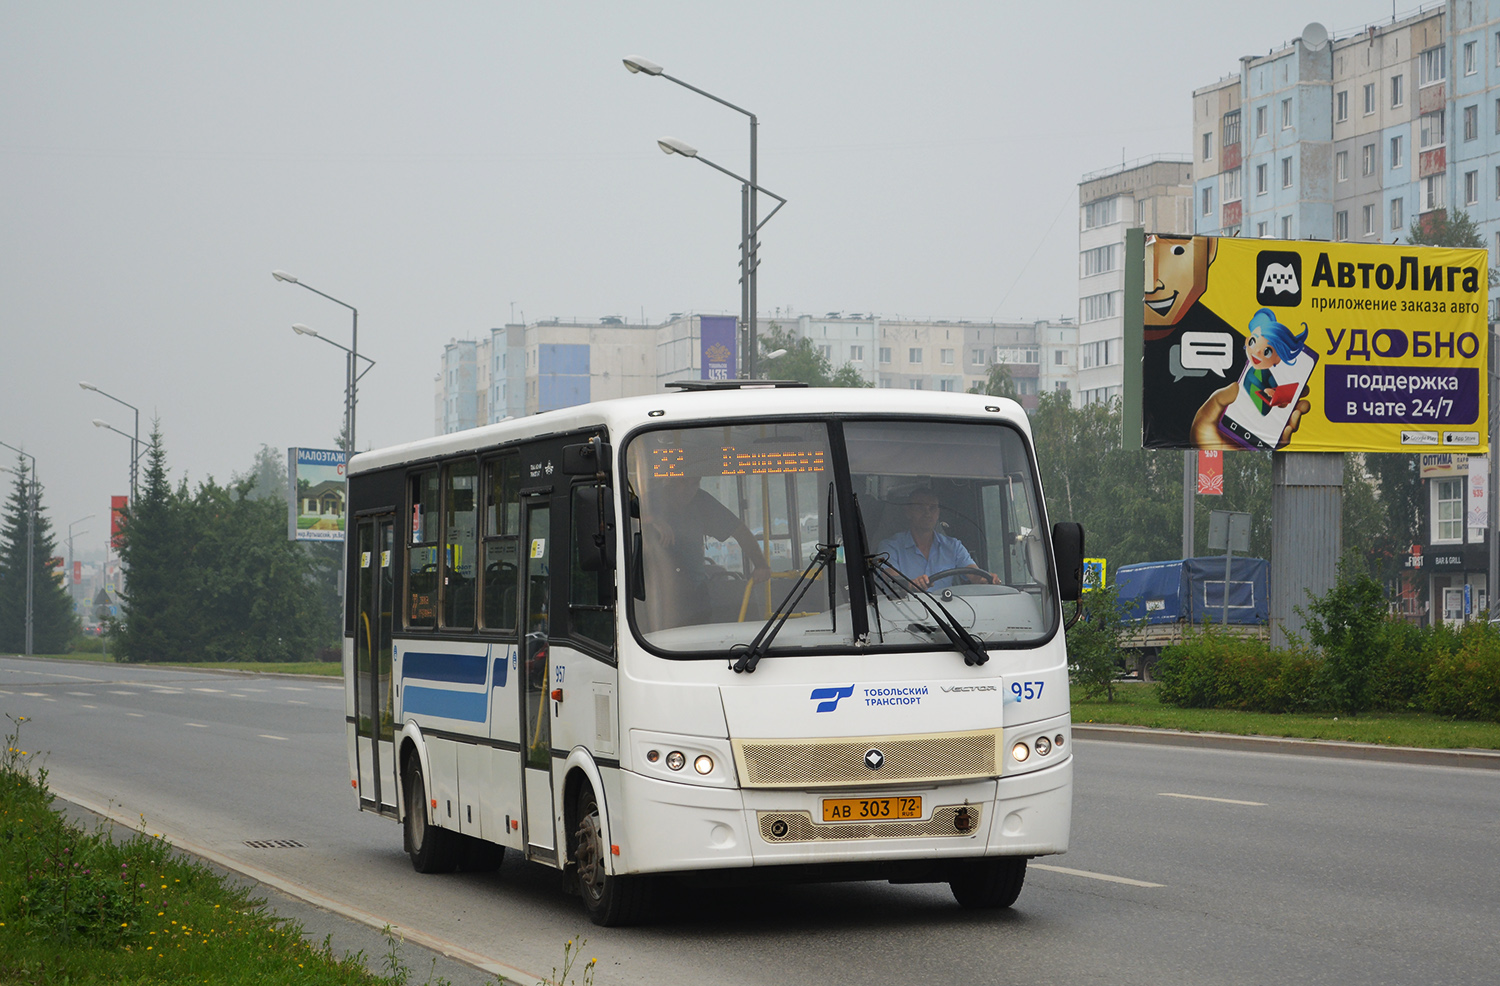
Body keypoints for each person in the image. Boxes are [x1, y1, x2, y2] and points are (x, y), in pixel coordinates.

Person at [641, 471, 770, 628]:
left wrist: (760, 565)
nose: (689, 489)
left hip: (695, 594)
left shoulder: (702, 501)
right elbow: (623, 512)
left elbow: (739, 530)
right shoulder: (647, 500)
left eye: (695, 483)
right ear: (670, 481)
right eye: (683, 482)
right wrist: (649, 519)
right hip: (654, 592)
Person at [878, 488, 998, 591]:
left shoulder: (953, 546)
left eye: (932, 508)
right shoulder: (889, 547)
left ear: (938, 513)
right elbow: (890, 577)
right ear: (908, 512)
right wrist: (911, 585)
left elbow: (974, 574)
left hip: (946, 614)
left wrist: (986, 579)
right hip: (901, 613)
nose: (927, 513)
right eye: (921, 508)